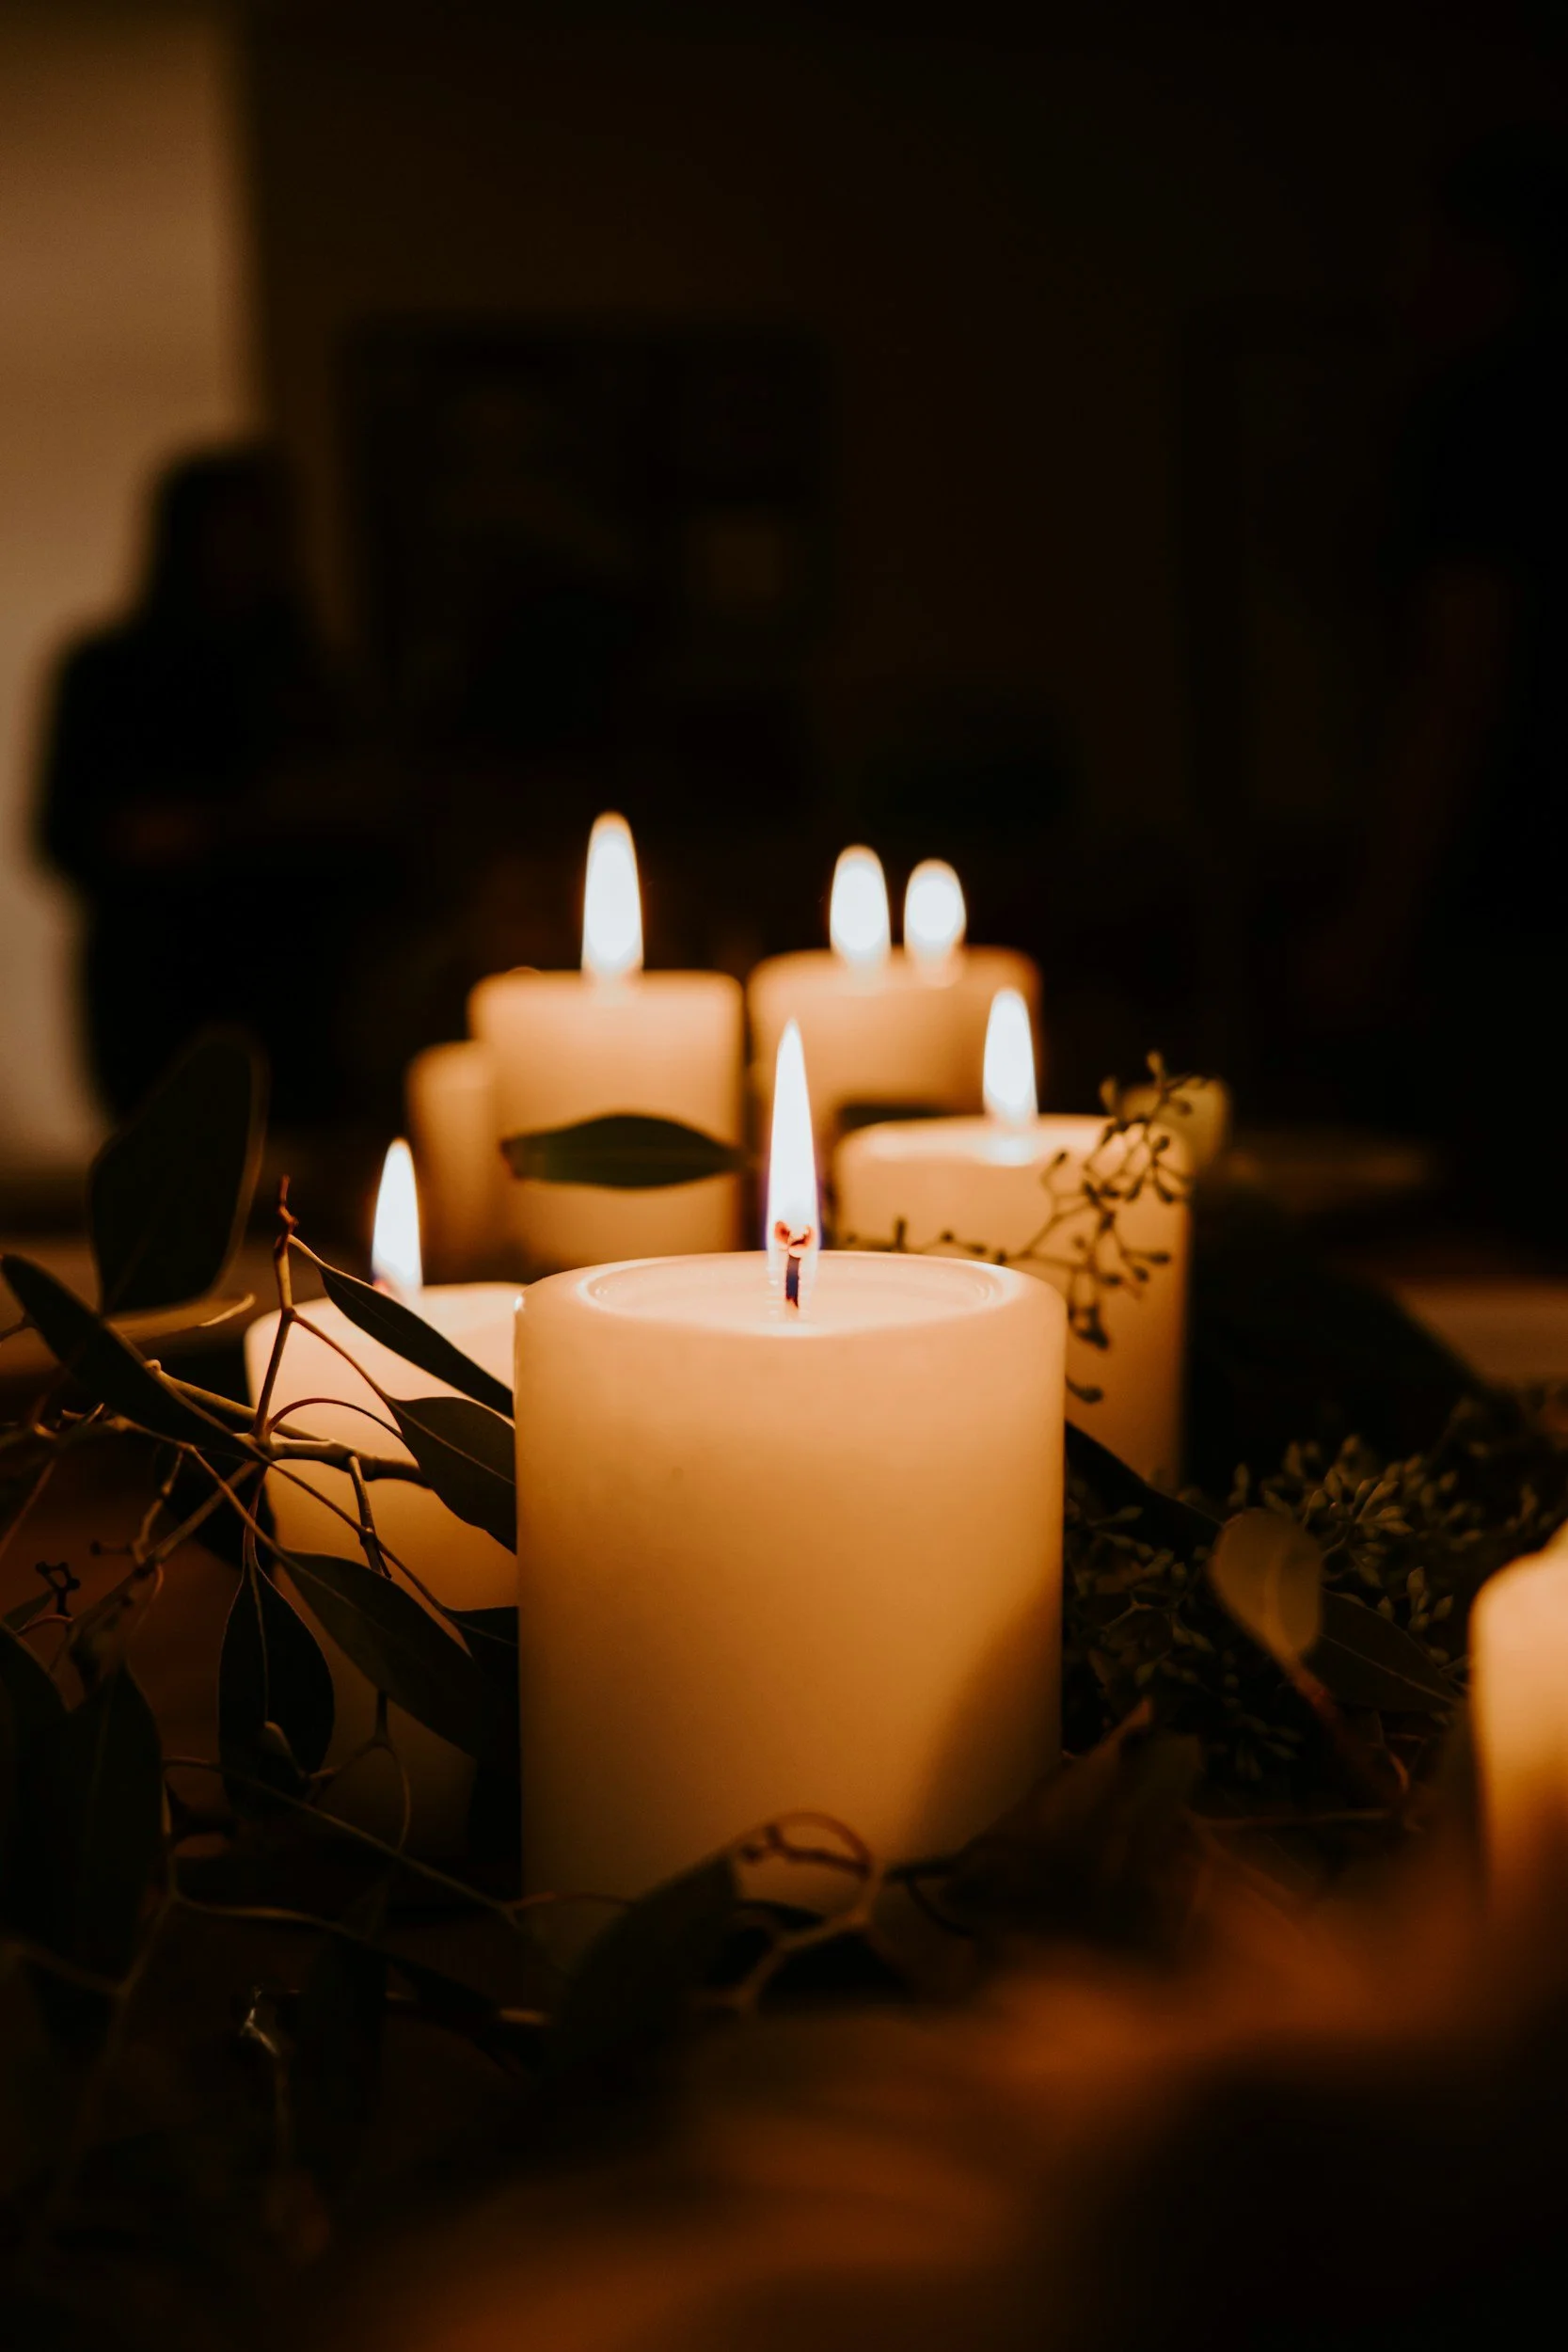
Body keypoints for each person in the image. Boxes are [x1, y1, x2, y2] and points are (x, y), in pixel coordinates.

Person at [1303, 131, 1568, 1233]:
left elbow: (1459, 679)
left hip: (1512, 897)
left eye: (1422, 254)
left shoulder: (1483, 420)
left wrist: (1374, 922)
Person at [38, 447, 372, 1125]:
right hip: (158, 988)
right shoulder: (111, 672)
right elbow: (64, 831)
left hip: (294, 990)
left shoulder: (309, 678)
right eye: (229, 530)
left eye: (263, 531)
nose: (245, 553)